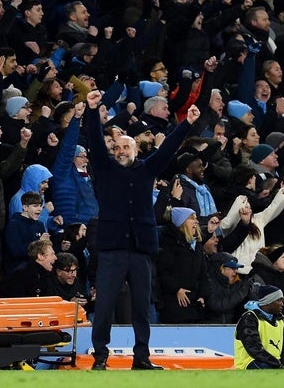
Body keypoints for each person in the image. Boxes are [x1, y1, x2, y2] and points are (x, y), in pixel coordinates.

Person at [85, 90, 200, 370]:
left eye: (126, 147)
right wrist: (91, 110)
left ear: (136, 150)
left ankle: (142, 358)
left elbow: (169, 148)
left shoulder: (147, 170)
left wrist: (187, 123)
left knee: (142, 309)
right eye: (117, 148)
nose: (121, 151)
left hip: (140, 250)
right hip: (112, 250)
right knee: (104, 309)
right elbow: (93, 140)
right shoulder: (104, 168)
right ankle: (100, 357)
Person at [234, 284, 284, 369]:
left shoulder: (279, 320)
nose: (282, 304)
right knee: (268, 369)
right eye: (279, 301)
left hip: (274, 363)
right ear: (268, 302)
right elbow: (254, 349)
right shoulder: (250, 318)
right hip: (249, 363)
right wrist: (278, 365)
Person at [205, 253, 251, 324]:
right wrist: (241, 294)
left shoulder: (237, 285)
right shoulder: (208, 283)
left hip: (231, 329)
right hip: (210, 328)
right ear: (220, 268)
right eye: (232, 268)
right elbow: (216, 305)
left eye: (236, 268)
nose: (235, 271)